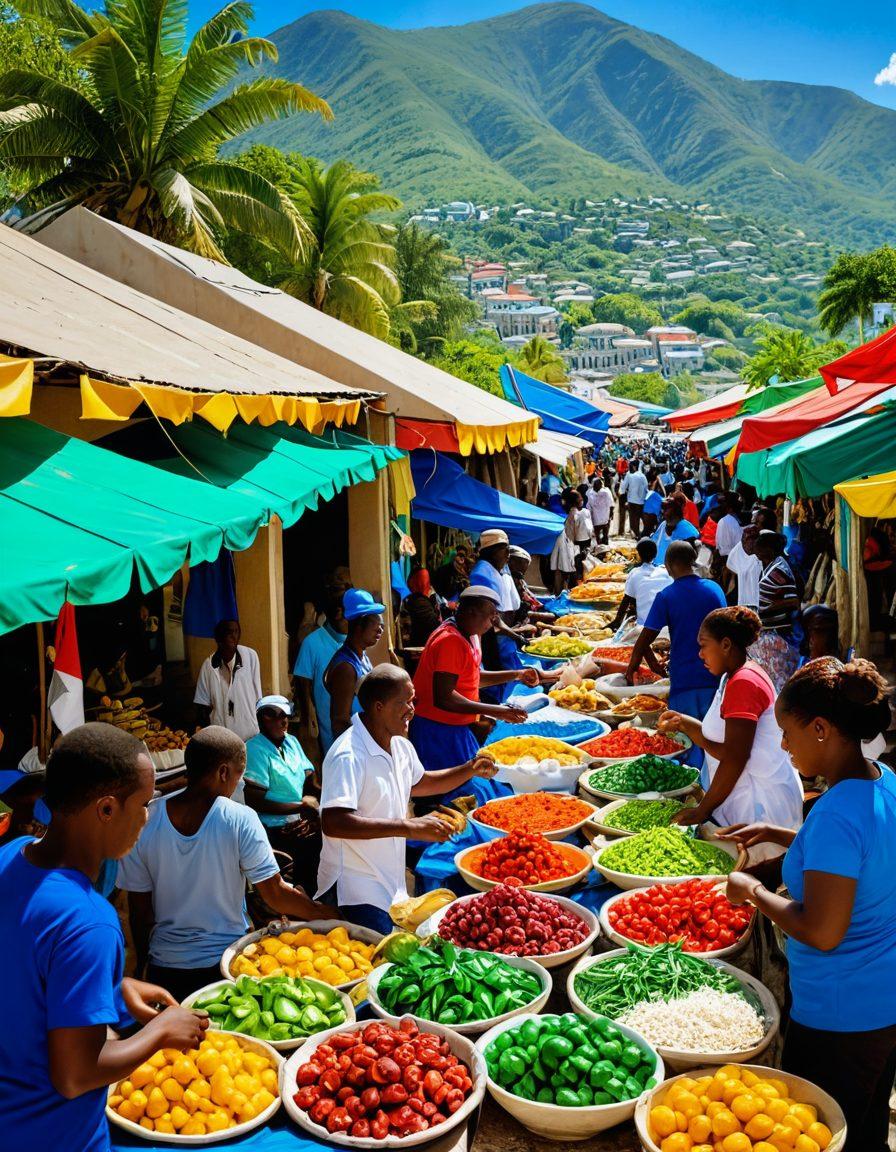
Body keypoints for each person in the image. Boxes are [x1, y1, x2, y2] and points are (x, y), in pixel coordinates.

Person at [0, 724, 208, 1150]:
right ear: (108, 809)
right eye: (144, 804)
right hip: (56, 1136)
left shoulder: (9, 855)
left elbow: (26, 966)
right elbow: (75, 1074)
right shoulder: (89, 921)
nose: (148, 817)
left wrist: (114, 987)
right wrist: (161, 1031)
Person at [721, 658, 896, 1152]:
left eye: (787, 732)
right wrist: (785, 835)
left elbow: (821, 930)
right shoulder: (882, 780)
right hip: (882, 1003)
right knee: (865, 1126)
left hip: (841, 1016)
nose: (782, 745)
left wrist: (752, 891)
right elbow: (859, 857)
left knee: (822, 1134)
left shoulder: (838, 812)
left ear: (820, 728)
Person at [119, 726, 334, 1003]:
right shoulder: (240, 818)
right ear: (223, 772)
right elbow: (275, 894)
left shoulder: (147, 820)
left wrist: (143, 966)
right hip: (226, 965)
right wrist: (324, 914)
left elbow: (140, 910)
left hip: (165, 968)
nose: (238, 784)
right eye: (239, 775)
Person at [318, 665, 499, 933]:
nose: (412, 710)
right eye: (404, 702)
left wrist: (469, 768)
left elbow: (420, 782)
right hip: (355, 889)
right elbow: (333, 821)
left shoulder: (400, 744)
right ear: (378, 707)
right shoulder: (348, 755)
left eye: (413, 701)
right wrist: (410, 827)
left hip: (391, 882)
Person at [657, 608, 802, 872]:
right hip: (744, 799)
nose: (700, 654)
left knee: (750, 883)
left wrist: (702, 811)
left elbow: (735, 758)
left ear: (725, 644)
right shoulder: (732, 676)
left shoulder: (743, 683)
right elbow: (726, 747)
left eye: (703, 646)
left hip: (759, 806)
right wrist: (687, 724)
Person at [409, 587, 540, 791]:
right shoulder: (450, 641)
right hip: (437, 730)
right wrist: (496, 711)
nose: (492, 623)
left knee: (477, 778)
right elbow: (444, 697)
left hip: (457, 728)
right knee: (453, 791)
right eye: (490, 617)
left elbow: (473, 678)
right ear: (471, 612)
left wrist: (517, 674)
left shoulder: (471, 634)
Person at [625, 541, 726, 766]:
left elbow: (645, 638)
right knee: (712, 736)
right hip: (716, 676)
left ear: (669, 566)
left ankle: (691, 785)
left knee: (685, 740)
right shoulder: (715, 589)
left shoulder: (667, 596)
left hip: (685, 679)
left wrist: (633, 666)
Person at [243, 696, 323, 896]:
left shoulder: (291, 742)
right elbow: (255, 800)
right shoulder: (254, 748)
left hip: (300, 822)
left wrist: (318, 807)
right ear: (261, 719)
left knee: (316, 867)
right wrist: (300, 807)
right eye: (273, 715)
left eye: (284, 715)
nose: (282, 721)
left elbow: (310, 781)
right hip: (274, 829)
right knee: (293, 881)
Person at [293, 580, 348, 760]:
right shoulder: (312, 643)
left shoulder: (355, 642)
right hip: (329, 733)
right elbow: (303, 686)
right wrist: (309, 717)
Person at [324, 588, 385, 741]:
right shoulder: (346, 667)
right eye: (374, 622)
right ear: (359, 625)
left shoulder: (361, 656)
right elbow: (339, 722)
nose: (380, 629)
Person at [194, 618, 262, 741]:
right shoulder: (208, 666)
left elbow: (257, 696)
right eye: (228, 632)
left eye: (236, 632)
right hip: (221, 735)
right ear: (218, 639)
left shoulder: (250, 656)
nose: (233, 636)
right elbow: (202, 703)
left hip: (249, 732)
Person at [750, 530, 802, 692]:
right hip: (771, 630)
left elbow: (793, 601)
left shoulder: (779, 569)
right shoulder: (772, 565)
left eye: (760, 553)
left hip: (779, 633)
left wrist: (767, 608)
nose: (757, 556)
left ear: (769, 551)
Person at [610, 538, 672, 629]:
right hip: (667, 623)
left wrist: (617, 621)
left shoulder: (635, 572)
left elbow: (626, 600)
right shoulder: (665, 572)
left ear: (639, 554)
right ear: (656, 554)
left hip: (645, 624)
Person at [651, 492, 700, 565]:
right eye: (663, 509)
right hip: (657, 569)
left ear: (676, 511)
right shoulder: (663, 525)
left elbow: (691, 561)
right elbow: (654, 543)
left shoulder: (689, 532)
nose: (663, 512)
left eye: (666, 509)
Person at [401, 568, 442, 648]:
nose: (426, 585)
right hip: (419, 650)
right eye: (422, 581)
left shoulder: (417, 600)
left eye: (427, 581)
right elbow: (434, 626)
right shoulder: (419, 602)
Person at [620, 461, 648, 538]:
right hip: (642, 501)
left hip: (632, 501)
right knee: (641, 518)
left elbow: (623, 487)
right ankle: (643, 534)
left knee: (633, 520)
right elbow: (646, 488)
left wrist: (623, 495)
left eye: (630, 466)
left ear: (634, 467)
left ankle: (637, 535)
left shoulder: (629, 475)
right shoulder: (643, 476)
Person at [586, 476, 614, 546]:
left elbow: (611, 504)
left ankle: (605, 547)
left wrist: (611, 514)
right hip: (596, 519)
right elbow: (588, 508)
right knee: (598, 536)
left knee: (605, 535)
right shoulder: (589, 494)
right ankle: (600, 548)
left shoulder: (606, 492)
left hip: (605, 518)